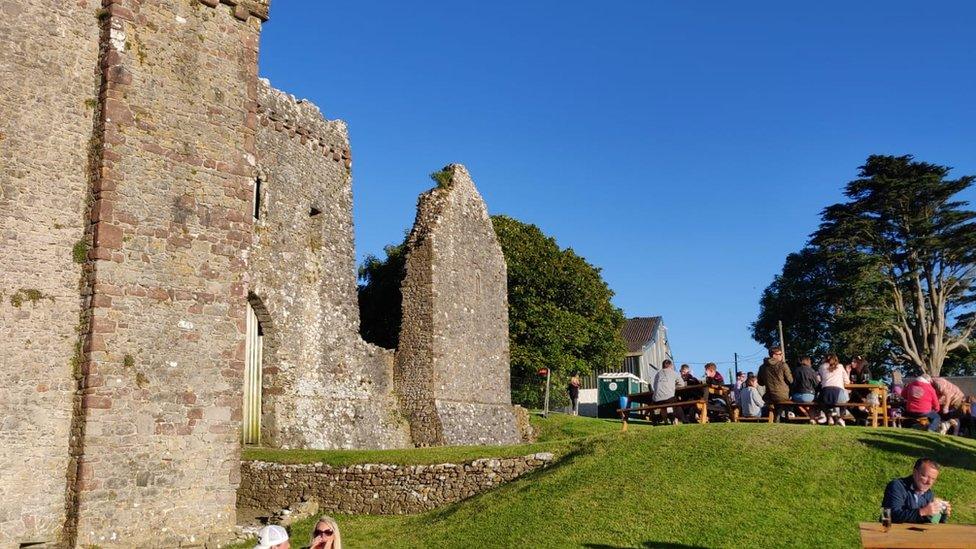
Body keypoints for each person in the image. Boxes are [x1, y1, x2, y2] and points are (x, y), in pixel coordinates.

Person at [881, 458, 951, 524]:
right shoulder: (897, 486)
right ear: (915, 472)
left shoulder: (928, 494)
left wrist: (942, 514)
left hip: (912, 535)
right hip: (890, 533)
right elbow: (887, 516)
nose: (929, 482)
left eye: (933, 479)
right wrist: (922, 512)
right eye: (925, 476)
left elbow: (929, 522)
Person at [758, 347, 793, 419]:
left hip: (769, 396)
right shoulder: (783, 365)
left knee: (773, 401)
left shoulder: (762, 367)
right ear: (774, 355)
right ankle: (786, 418)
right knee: (789, 399)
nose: (782, 356)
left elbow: (760, 383)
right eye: (780, 354)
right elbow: (790, 381)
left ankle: (777, 416)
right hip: (783, 396)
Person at [818, 353, 850, 426]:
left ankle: (829, 417)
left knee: (820, 401)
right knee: (845, 401)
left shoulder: (822, 367)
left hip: (826, 394)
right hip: (839, 394)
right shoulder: (840, 366)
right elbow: (847, 382)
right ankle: (841, 418)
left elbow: (819, 379)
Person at [653, 359, 686, 424]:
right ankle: (680, 420)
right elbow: (682, 384)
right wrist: (673, 386)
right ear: (670, 366)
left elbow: (654, 386)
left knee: (663, 406)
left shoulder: (657, 374)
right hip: (668, 398)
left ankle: (665, 421)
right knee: (676, 403)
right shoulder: (673, 373)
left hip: (656, 399)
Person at [790, 356, 818, 423]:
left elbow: (793, 384)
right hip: (810, 395)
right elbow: (816, 384)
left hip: (797, 396)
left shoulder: (795, 371)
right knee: (810, 404)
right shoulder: (812, 370)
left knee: (796, 402)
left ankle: (807, 416)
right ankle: (811, 417)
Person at [848, 356, 873, 425]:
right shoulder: (853, 371)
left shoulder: (865, 370)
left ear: (859, 363)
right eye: (852, 361)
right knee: (848, 405)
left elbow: (867, 384)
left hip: (866, 394)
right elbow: (852, 384)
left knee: (861, 406)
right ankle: (860, 419)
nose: (852, 363)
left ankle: (862, 419)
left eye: (854, 362)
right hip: (856, 393)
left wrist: (863, 398)